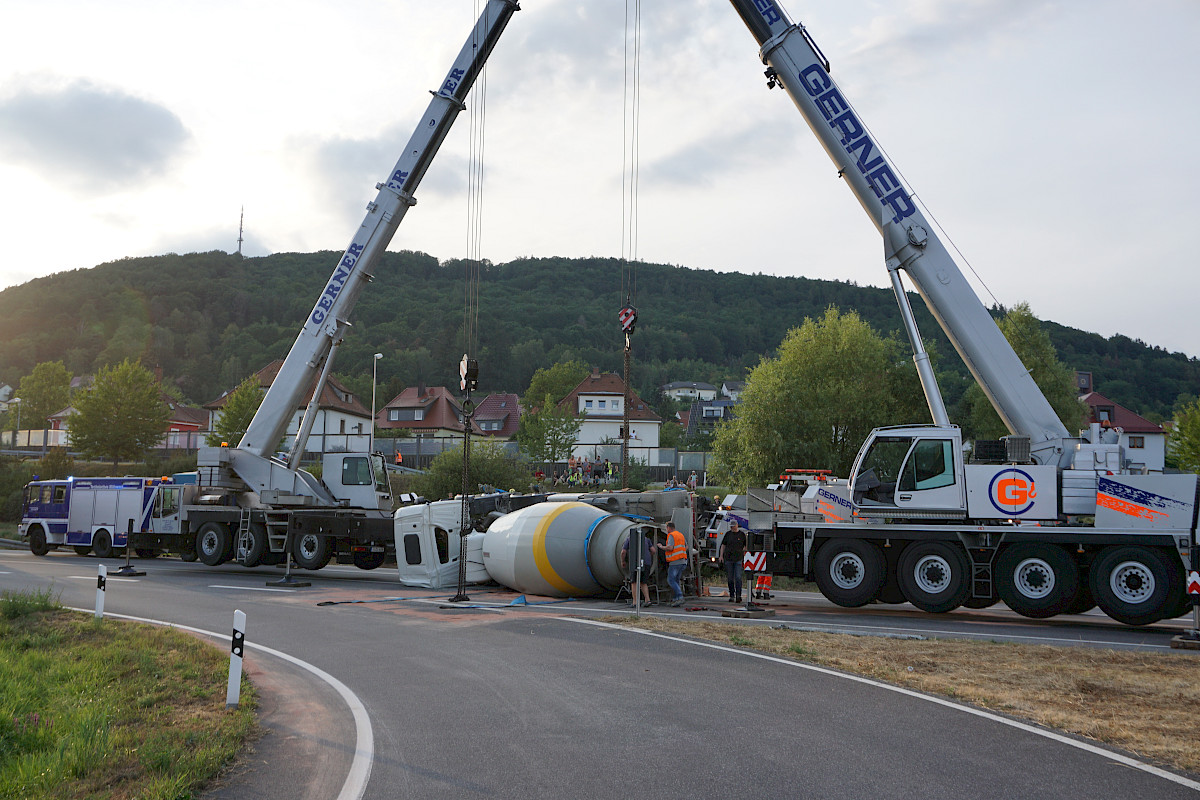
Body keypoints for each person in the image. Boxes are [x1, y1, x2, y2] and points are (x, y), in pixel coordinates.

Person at [656, 522, 688, 606]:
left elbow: (670, 547)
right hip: (682, 561)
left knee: (670, 580)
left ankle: (680, 596)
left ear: (669, 528)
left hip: (675, 562)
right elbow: (686, 547)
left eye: (666, 528)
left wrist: (661, 547)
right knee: (676, 580)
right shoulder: (680, 535)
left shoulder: (671, 535)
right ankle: (676, 599)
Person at [620, 529, 655, 606]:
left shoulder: (629, 539)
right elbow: (653, 550)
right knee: (643, 582)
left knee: (634, 582)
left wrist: (623, 561)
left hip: (635, 563)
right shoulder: (647, 539)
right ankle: (647, 600)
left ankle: (635, 602)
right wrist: (648, 556)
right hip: (646, 563)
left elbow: (623, 552)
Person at [718, 519, 747, 603]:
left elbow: (745, 546)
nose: (733, 527)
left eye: (734, 526)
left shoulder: (742, 535)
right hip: (728, 559)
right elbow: (723, 545)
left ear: (737, 525)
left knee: (738, 577)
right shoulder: (728, 534)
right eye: (731, 526)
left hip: (738, 559)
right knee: (730, 579)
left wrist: (744, 555)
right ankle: (731, 595)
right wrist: (721, 556)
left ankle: (738, 595)